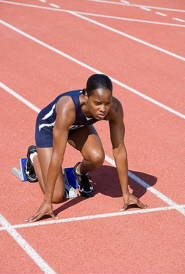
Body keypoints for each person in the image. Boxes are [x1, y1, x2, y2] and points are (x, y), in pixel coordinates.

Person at [25, 73, 147, 222]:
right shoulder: (67, 107)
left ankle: (79, 172)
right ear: (86, 96)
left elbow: (119, 149)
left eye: (107, 103)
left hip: (77, 126)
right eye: (97, 103)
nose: (103, 109)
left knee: (96, 157)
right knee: (57, 196)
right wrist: (46, 202)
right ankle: (34, 157)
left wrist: (126, 194)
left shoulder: (114, 109)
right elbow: (58, 155)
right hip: (49, 129)